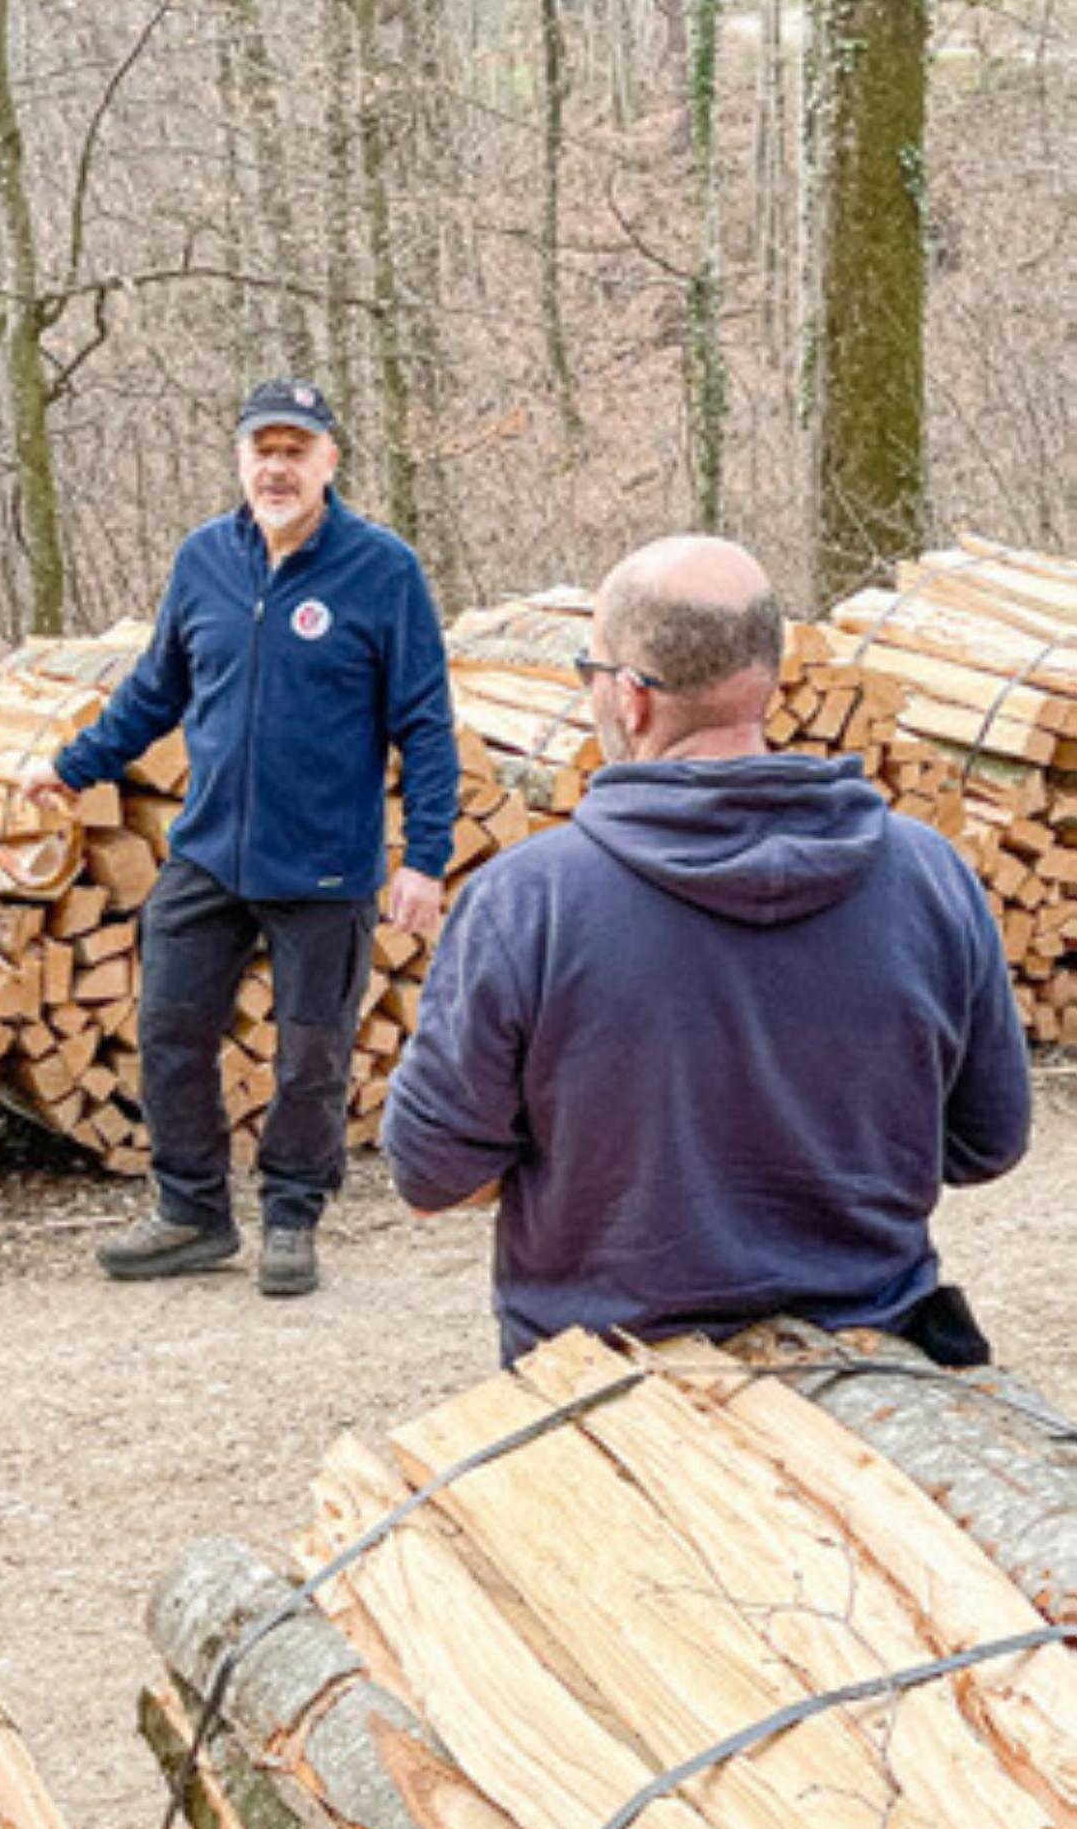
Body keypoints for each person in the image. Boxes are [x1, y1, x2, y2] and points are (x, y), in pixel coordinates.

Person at [382, 533, 1031, 1365]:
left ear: (632, 698)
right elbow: (989, 1141)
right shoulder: (929, 874)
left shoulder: (525, 901)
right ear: (767, 672)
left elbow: (431, 1179)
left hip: (608, 1386)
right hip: (876, 1364)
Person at [25, 378, 459, 1298]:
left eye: (296, 450)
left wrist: (424, 855)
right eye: (262, 449)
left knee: (313, 1050)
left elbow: (424, 722)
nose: (277, 467)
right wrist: (72, 767)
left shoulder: (381, 570)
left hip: (325, 862)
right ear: (239, 459)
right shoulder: (203, 561)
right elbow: (155, 691)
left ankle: (293, 1217)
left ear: (328, 462)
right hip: (208, 852)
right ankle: (192, 1213)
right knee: (168, 1029)